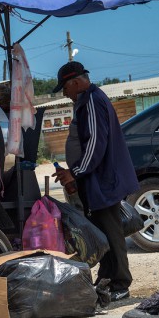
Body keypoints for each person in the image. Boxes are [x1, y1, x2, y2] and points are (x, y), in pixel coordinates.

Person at [51, 61, 139, 301]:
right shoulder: (89, 100)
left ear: (76, 83)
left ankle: (121, 283)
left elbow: (95, 144)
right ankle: (108, 278)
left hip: (104, 181)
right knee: (104, 234)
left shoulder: (91, 101)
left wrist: (75, 172)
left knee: (112, 233)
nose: (65, 94)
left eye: (65, 89)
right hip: (97, 180)